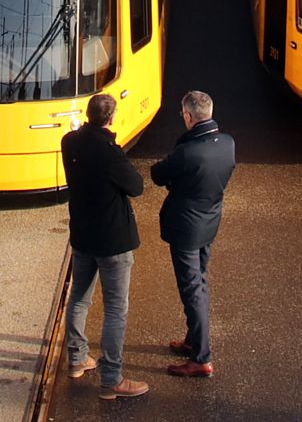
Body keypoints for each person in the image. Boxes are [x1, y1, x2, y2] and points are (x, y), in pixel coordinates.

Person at [61, 92, 149, 401]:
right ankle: (111, 379)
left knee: (79, 299)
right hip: (112, 242)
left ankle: (76, 359)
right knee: (115, 309)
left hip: (82, 236)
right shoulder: (110, 152)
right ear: (110, 118)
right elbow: (136, 187)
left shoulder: (69, 142)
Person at [151, 90, 235, 379]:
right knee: (199, 281)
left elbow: (157, 175)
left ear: (188, 117)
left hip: (185, 229)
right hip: (209, 223)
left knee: (192, 289)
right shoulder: (227, 144)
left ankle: (201, 357)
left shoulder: (187, 152)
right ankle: (192, 339)